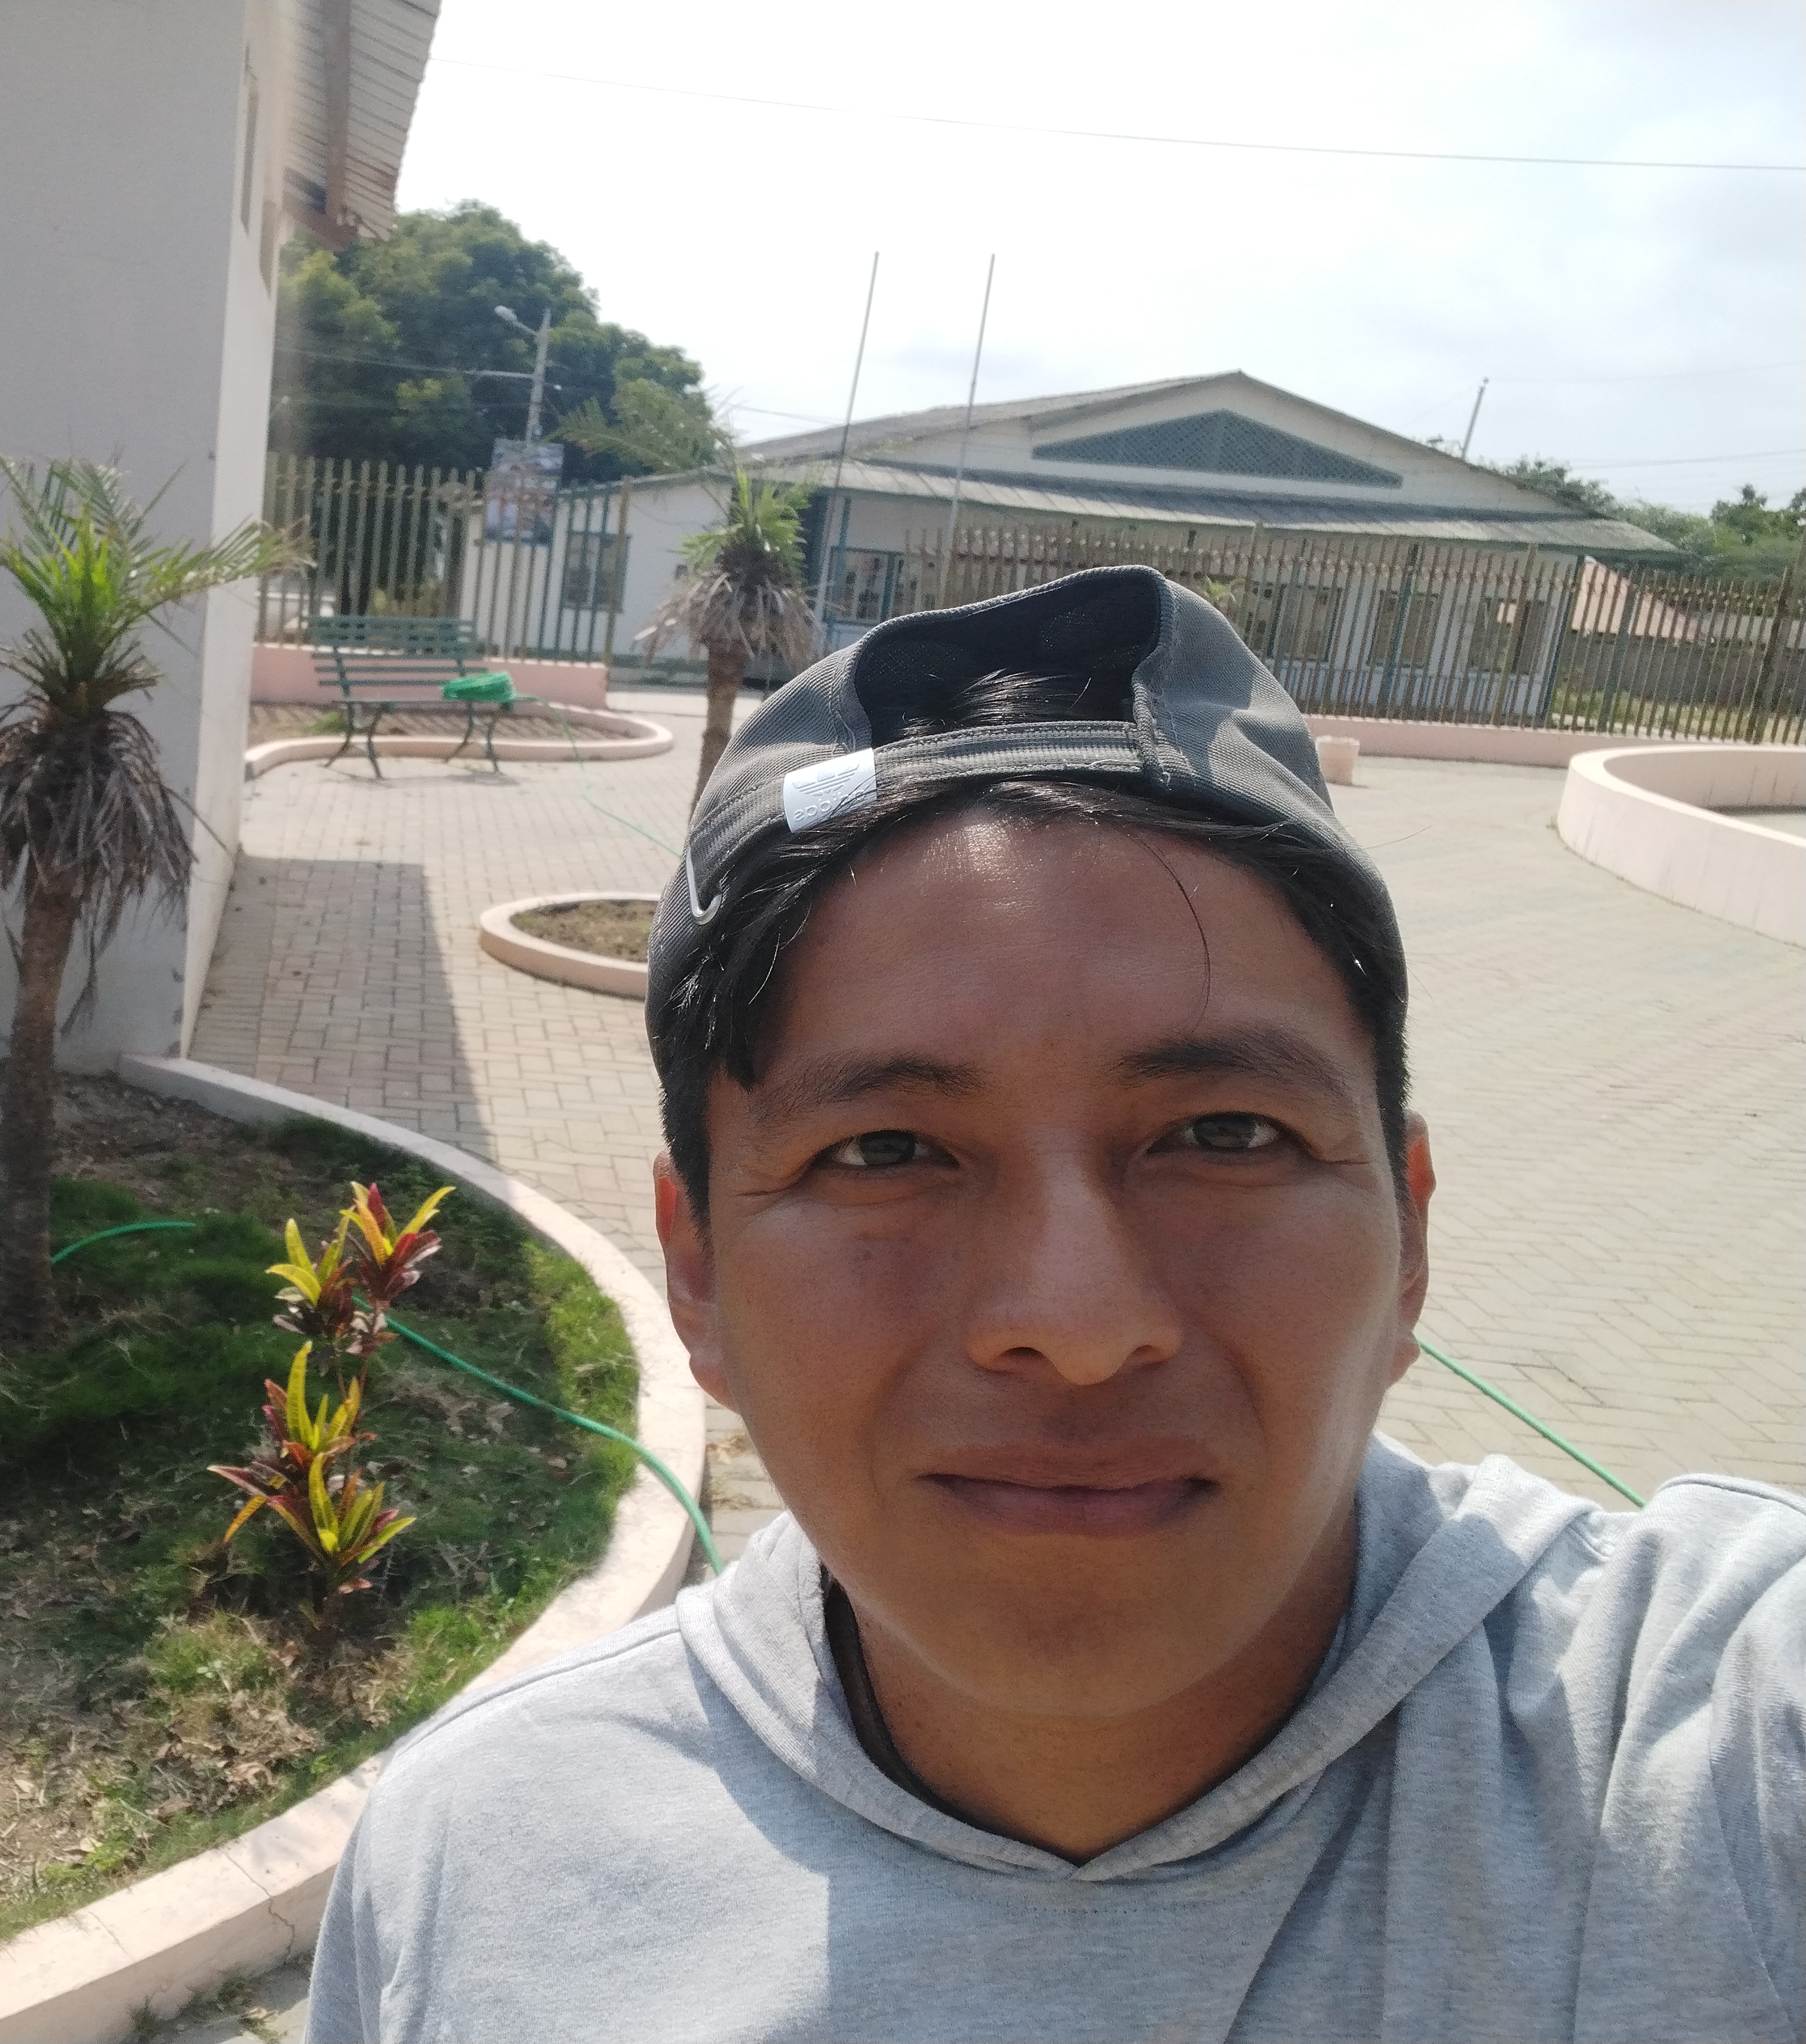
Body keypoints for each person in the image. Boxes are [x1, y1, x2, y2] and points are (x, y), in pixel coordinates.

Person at [303, 567, 1802, 2043]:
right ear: (695, 1272)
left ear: (1407, 1237)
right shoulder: (476, 1873)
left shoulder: (1715, 1744)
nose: (1078, 1327)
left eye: (1225, 1135)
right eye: (883, 1152)